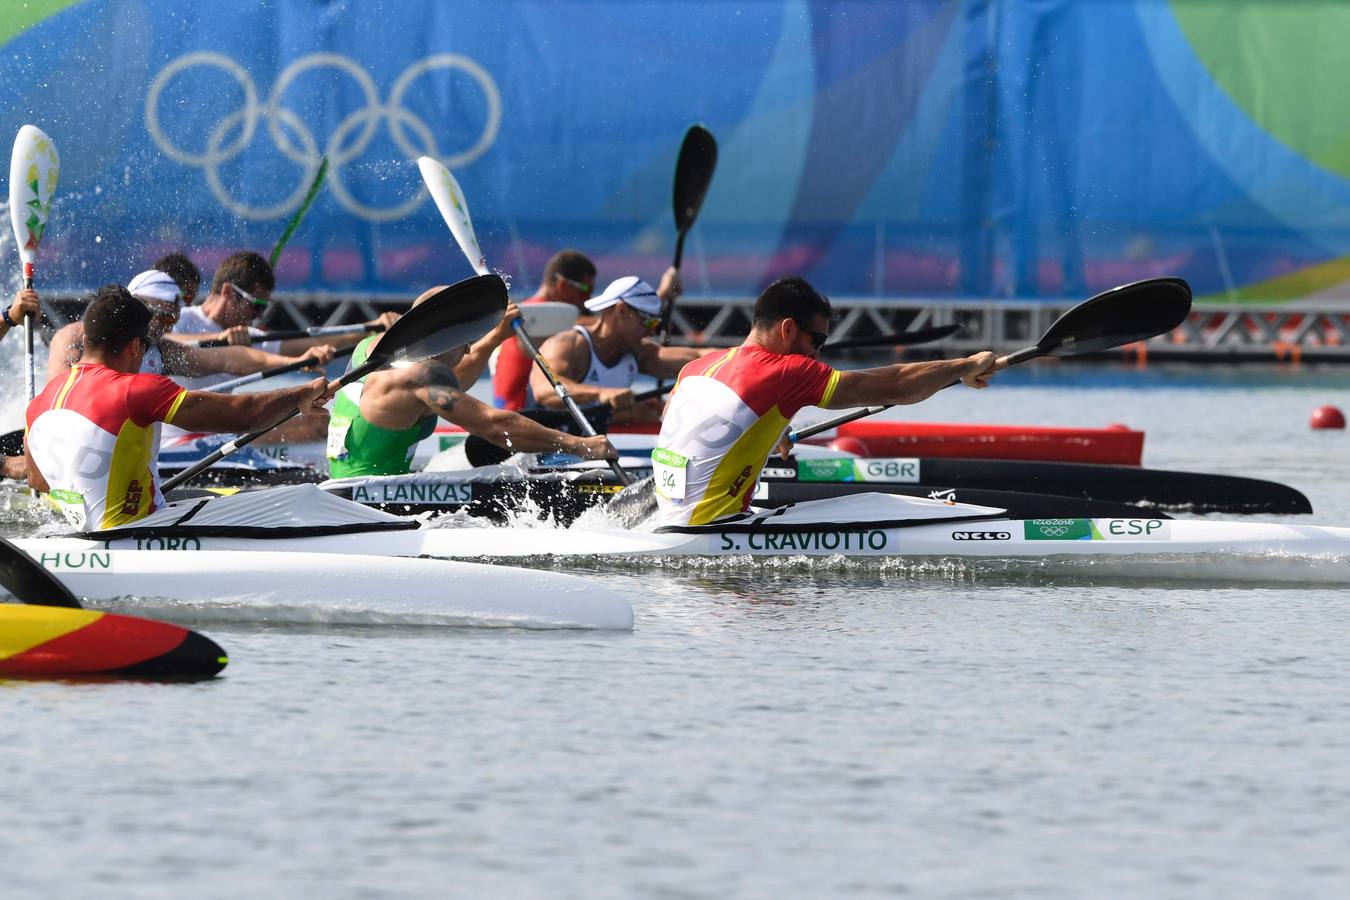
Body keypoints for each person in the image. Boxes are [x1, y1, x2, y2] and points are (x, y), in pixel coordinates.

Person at [651, 275, 1002, 529]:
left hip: (668, 522)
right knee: (876, 506)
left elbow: (691, 429)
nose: (817, 354)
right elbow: (895, 386)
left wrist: (764, 429)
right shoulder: (787, 371)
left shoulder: (697, 367)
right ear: (788, 329)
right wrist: (966, 366)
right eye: (816, 340)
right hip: (713, 529)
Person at [25, 285, 333, 530]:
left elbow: (37, 480)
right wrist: (301, 395)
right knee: (301, 499)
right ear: (135, 346)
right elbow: (243, 414)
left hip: (84, 537)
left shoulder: (40, 402)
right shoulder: (138, 389)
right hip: (143, 531)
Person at [327, 286, 616, 479]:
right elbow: (494, 426)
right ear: (440, 337)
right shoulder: (419, 377)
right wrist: (581, 445)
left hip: (344, 492)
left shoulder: (369, 349)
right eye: (465, 341)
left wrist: (495, 338)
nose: (467, 350)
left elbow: (452, 380)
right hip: (374, 508)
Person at [171, 250, 399, 390]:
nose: (259, 315)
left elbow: (305, 342)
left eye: (264, 307)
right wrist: (219, 338)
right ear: (229, 292)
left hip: (212, 435)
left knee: (318, 424)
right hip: (175, 441)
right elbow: (162, 342)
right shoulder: (181, 319)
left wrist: (371, 329)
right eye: (255, 305)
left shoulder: (246, 335)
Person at [527, 269, 701, 423]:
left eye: (657, 324)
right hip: (542, 456)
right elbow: (544, 390)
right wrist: (602, 393)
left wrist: (729, 356)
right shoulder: (568, 345)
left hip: (590, 451)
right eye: (649, 322)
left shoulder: (637, 351)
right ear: (621, 310)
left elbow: (697, 358)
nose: (652, 332)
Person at [491, 249, 596, 410]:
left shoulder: (529, 314)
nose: (587, 300)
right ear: (562, 285)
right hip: (522, 417)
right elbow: (588, 327)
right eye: (585, 291)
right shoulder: (530, 315)